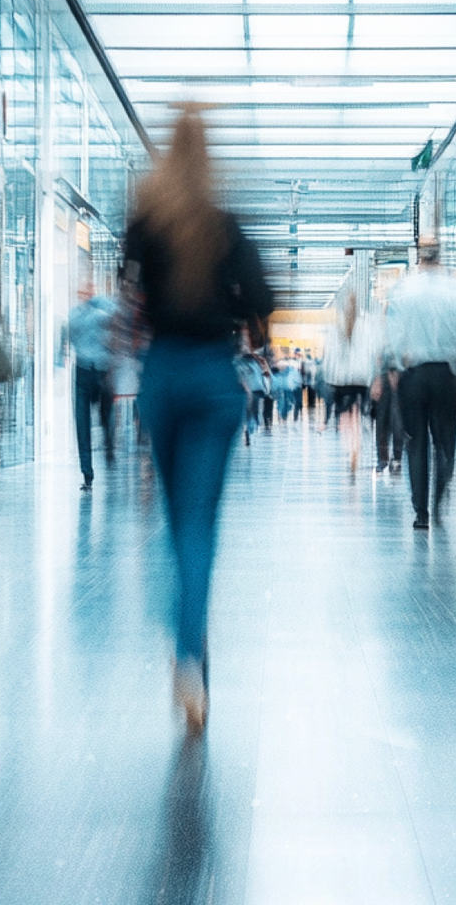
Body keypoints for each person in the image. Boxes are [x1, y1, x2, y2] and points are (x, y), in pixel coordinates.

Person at [123, 109, 274, 733]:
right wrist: (241, 315)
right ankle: (190, 651)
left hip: (161, 376)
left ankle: (183, 631)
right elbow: (264, 306)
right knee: (199, 522)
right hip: (214, 379)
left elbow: (132, 303)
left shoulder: (144, 221)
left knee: (172, 518)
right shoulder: (228, 225)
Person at [382, 245, 456, 530]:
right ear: (441, 261)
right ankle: (438, 500)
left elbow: (393, 335)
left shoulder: (403, 291)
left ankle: (421, 511)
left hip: (414, 374)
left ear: (420, 260)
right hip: (447, 375)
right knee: (445, 441)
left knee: (416, 443)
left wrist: (394, 367)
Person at [67, 282, 122, 489]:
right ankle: (102, 453)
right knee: (99, 417)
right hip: (98, 370)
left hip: (87, 369)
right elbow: (115, 323)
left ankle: (88, 471)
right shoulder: (103, 311)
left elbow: (72, 338)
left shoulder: (76, 315)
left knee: (84, 423)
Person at [324, 289, 382, 478]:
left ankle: (350, 448)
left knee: (345, 417)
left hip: (341, 379)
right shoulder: (366, 325)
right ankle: (357, 445)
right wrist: (375, 378)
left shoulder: (335, 326)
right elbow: (374, 353)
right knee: (358, 415)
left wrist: (328, 377)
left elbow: (329, 354)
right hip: (361, 378)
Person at [235, 349, 268, 446]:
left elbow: (261, 376)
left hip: (255, 390)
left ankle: (249, 430)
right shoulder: (245, 366)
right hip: (251, 391)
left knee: (253, 411)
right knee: (251, 411)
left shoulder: (254, 365)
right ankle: (248, 431)